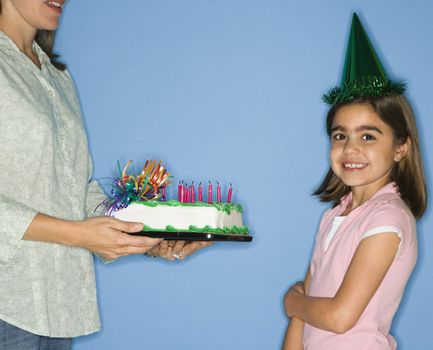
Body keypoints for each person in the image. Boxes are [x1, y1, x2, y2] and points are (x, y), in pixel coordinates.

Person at [0, 1, 210, 349]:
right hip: (8, 303)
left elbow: (71, 191)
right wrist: (77, 235)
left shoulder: (57, 77)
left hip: (58, 307)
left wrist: (147, 234)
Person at [282, 14, 427, 350]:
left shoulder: (388, 218)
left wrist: (292, 303)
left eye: (368, 136)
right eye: (340, 135)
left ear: (400, 146)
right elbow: (304, 314)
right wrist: (297, 310)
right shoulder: (335, 215)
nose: (351, 149)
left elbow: (339, 317)